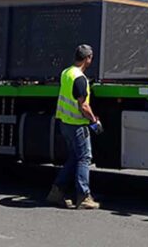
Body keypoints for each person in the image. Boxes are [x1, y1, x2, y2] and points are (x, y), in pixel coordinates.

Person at [46, 44, 101, 210]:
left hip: (65, 123)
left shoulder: (66, 72)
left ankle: (57, 192)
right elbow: (83, 106)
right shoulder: (80, 78)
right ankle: (84, 196)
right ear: (88, 59)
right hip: (77, 125)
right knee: (84, 158)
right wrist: (94, 121)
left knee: (75, 158)